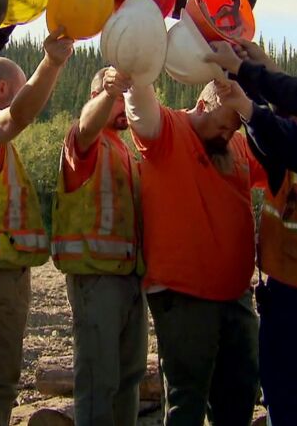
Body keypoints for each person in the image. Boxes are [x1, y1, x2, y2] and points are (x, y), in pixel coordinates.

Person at [123, 79, 265, 426]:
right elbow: (140, 108)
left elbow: (279, 152)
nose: (228, 133)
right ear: (204, 105)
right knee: (187, 400)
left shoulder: (236, 144)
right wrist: (136, 69)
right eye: (223, 124)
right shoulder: (167, 129)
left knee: (240, 393)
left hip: (236, 296)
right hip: (183, 293)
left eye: (235, 126)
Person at [0, 26, 73, 426]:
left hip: (2, 274)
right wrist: (52, 63)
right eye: (21, 89)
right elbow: (19, 115)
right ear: (4, 89)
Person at [205, 40, 297, 426]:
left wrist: (247, 85)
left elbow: (281, 138)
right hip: (283, 296)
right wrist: (253, 77)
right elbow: (273, 136)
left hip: (288, 300)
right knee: (282, 395)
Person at [51, 67, 147, 426]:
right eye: (119, 97)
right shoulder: (84, 142)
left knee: (129, 378)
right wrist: (109, 93)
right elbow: (85, 125)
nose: (125, 105)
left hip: (129, 280)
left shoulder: (124, 150)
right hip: (96, 281)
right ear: (98, 97)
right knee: (97, 381)